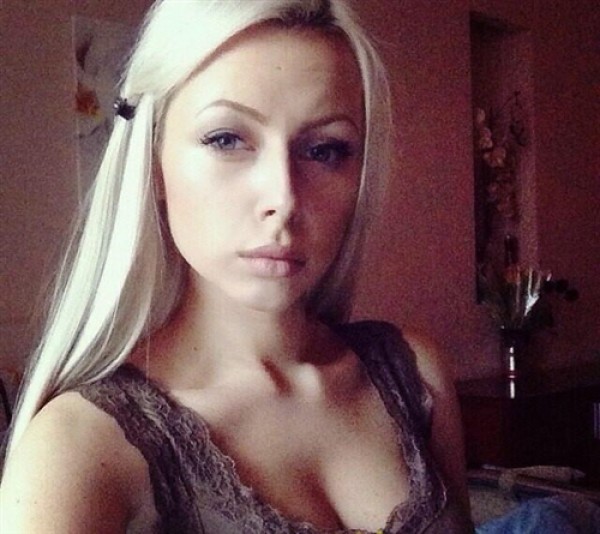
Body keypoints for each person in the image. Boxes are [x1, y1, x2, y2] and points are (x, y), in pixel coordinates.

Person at [0, 1, 474, 532]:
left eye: (325, 150)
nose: (283, 198)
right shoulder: (77, 448)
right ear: (153, 161)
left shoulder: (413, 376)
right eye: (226, 139)